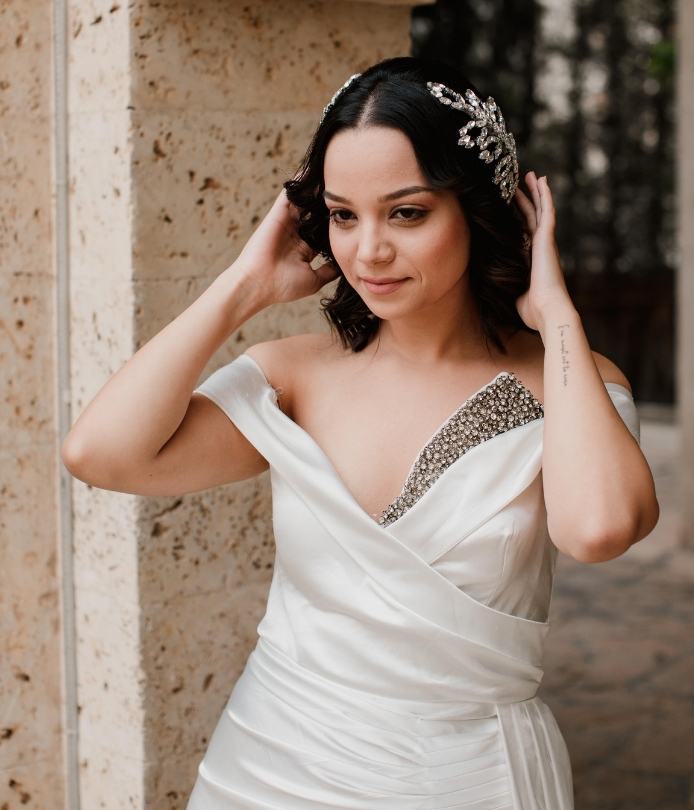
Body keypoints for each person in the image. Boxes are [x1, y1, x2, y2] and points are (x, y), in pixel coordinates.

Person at [62, 56, 659, 809]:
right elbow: (100, 454)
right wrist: (242, 287)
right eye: (344, 214)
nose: (368, 250)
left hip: (469, 780)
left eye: (406, 212)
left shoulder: (570, 381)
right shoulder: (293, 376)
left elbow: (600, 528)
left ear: (478, 211)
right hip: (267, 770)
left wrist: (558, 318)